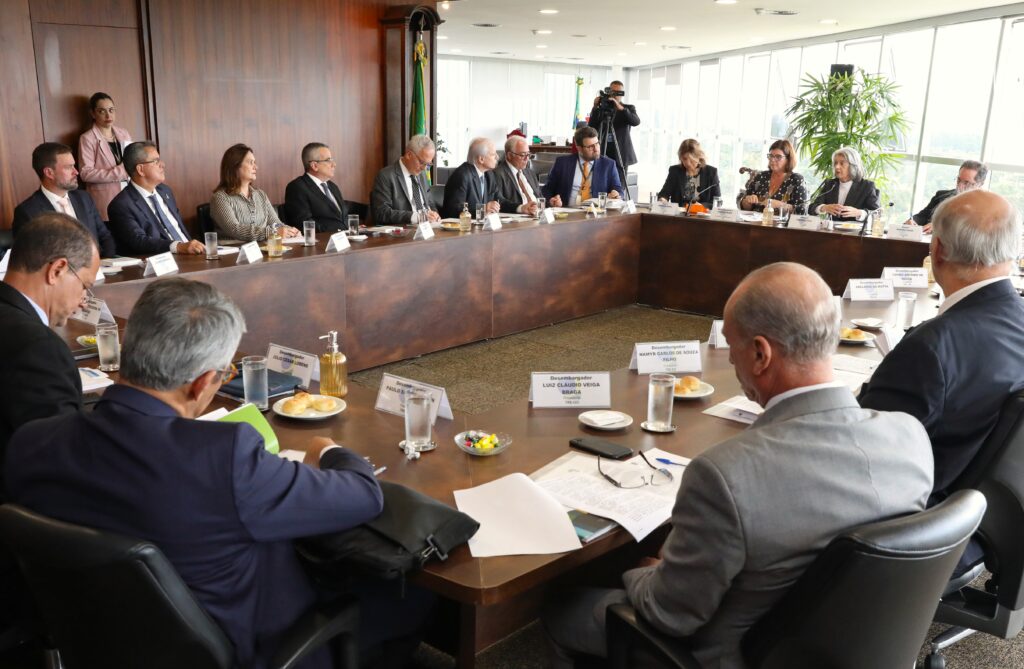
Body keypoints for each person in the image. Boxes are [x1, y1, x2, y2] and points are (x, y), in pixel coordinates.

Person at [5, 277, 433, 669]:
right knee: (412, 595)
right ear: (203, 382)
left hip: (99, 642)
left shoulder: (31, 443)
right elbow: (363, 496)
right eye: (225, 374)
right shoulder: (224, 458)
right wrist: (330, 450)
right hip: (252, 646)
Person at [543, 262, 933, 669]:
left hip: (728, 654)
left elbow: (669, 614)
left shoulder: (725, 474)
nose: (730, 357)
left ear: (761, 354)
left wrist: (641, 571)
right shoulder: (911, 437)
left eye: (732, 345)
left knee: (563, 607)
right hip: (848, 646)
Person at [860, 190, 1024, 506]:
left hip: (909, 517)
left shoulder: (929, 348)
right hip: (988, 517)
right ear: (1013, 251)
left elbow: (862, 452)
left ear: (938, 250)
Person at [0, 213, 98, 498]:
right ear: (57, 270)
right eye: (85, 287)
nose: (82, 302)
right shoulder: (38, 347)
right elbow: (62, 460)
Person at [13, 142, 116, 258]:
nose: (76, 172)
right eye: (68, 167)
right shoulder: (28, 212)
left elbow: (105, 237)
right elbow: (32, 256)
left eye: (74, 166)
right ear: (49, 173)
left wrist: (103, 263)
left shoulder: (84, 198)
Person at [107, 141, 205, 256]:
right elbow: (139, 241)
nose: (162, 164)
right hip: (166, 259)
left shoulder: (165, 191)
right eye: (156, 161)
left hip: (193, 253)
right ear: (140, 170)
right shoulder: (121, 205)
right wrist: (178, 247)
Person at [210, 144, 299, 242]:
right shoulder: (220, 197)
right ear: (235, 166)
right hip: (234, 250)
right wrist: (272, 232)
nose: (256, 167)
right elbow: (235, 229)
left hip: (262, 248)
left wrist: (290, 231)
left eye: (255, 162)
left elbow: (275, 223)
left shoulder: (260, 194)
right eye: (251, 162)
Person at [77, 92, 132, 220]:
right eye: (102, 111)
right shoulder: (87, 138)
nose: (108, 115)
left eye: (111, 110)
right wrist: (119, 172)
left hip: (129, 194)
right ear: (93, 113)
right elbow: (85, 173)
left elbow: (132, 161)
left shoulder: (124, 133)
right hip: (105, 199)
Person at [542, 126, 622, 208]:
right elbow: (547, 189)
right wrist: (551, 200)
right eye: (590, 146)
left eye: (597, 143)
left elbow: (618, 189)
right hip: (567, 211)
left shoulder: (608, 164)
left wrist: (616, 194)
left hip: (596, 212)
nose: (596, 149)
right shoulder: (562, 163)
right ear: (579, 148)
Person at [370, 134, 440, 226]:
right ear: (409, 155)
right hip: (403, 230)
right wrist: (416, 217)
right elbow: (382, 212)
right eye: (422, 162)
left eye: (428, 164)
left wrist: (435, 215)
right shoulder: (386, 176)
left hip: (427, 228)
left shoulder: (422, 175)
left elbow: (430, 204)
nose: (424, 168)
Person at [906, 160, 988, 233]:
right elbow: (922, 216)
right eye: (959, 180)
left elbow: (973, 233)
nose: (960, 185)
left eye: (966, 183)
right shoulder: (940, 195)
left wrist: (939, 227)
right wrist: (912, 221)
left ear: (980, 184)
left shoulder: (986, 207)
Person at [283, 142, 349, 232]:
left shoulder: (333, 186)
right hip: (321, 240)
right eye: (328, 160)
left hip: (346, 238)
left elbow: (342, 218)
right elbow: (304, 224)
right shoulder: (296, 188)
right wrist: (337, 232)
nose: (334, 164)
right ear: (314, 166)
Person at [808, 147, 880, 222]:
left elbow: (877, 214)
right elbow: (811, 208)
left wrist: (860, 213)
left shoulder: (867, 186)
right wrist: (824, 207)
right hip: (831, 228)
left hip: (855, 229)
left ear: (853, 166)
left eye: (842, 163)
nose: (837, 167)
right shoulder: (830, 184)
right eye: (835, 163)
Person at [738, 139, 808, 215]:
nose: (772, 159)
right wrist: (747, 201)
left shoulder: (796, 180)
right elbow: (744, 207)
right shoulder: (760, 176)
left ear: (788, 159)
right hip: (755, 221)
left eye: (778, 157)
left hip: (781, 222)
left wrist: (781, 205)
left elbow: (802, 211)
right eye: (770, 156)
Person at [587, 80, 640, 178]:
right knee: (601, 180)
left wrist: (621, 108)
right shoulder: (602, 109)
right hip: (603, 150)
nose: (615, 95)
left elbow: (636, 122)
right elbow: (591, 127)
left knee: (620, 183)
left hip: (620, 152)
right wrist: (595, 107)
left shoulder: (628, 108)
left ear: (622, 94)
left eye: (618, 92)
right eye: (612, 92)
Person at [440, 137, 501, 219]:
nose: (497, 157)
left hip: (481, 224)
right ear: (481, 159)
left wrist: (518, 207)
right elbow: (454, 209)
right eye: (493, 154)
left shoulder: (488, 174)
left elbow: (499, 200)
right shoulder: (462, 175)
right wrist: (482, 209)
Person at [657, 138, 721, 210]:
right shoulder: (675, 171)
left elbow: (717, 202)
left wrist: (699, 206)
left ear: (699, 157)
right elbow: (664, 194)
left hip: (701, 214)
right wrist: (662, 200)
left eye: (691, 159)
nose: (688, 163)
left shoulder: (711, 172)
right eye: (684, 159)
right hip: (679, 214)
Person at [494, 135, 541, 216]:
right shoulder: (497, 174)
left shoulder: (530, 173)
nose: (527, 159)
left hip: (538, 214)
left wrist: (551, 202)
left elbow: (539, 196)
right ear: (509, 155)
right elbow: (499, 202)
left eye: (528, 154)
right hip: (519, 217)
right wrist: (521, 208)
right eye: (523, 155)